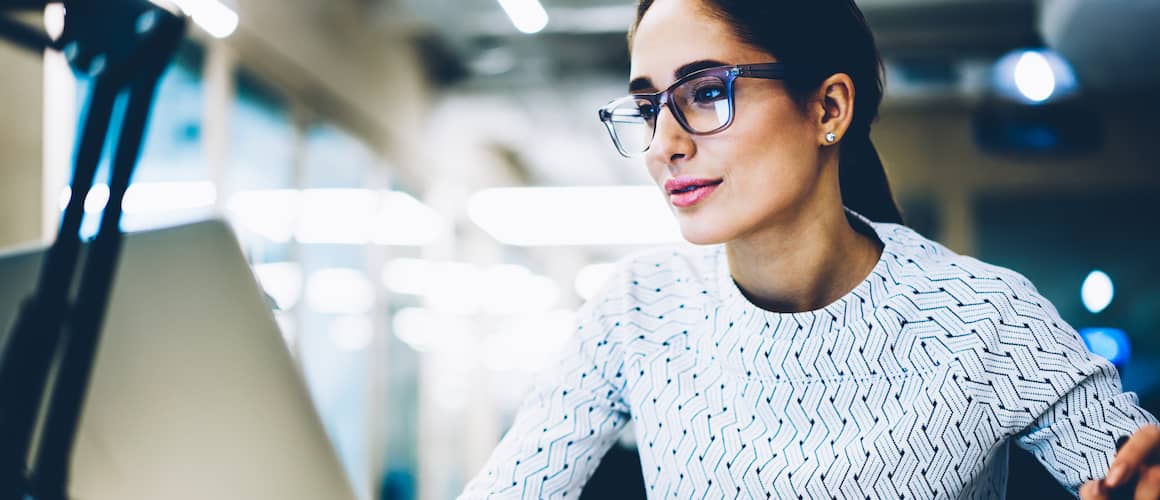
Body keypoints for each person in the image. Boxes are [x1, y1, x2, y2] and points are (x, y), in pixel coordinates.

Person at [459, 0, 1160, 498]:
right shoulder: (639, 309)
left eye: (705, 92)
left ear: (828, 109)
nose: (663, 143)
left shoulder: (983, 318)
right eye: (648, 106)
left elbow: (1136, 471)